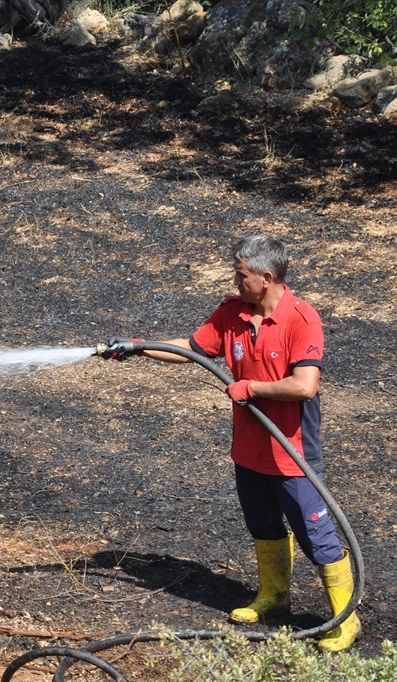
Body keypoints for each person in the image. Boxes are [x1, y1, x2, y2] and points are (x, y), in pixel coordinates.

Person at [104, 234, 360, 652]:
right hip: (250, 449)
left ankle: (345, 619)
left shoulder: (302, 319)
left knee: (317, 536)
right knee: (262, 524)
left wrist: (252, 388)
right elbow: (192, 349)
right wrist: (138, 348)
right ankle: (274, 598)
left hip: (292, 450)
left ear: (267, 277)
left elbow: (305, 386)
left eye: (241, 276)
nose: (235, 281)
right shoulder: (232, 313)